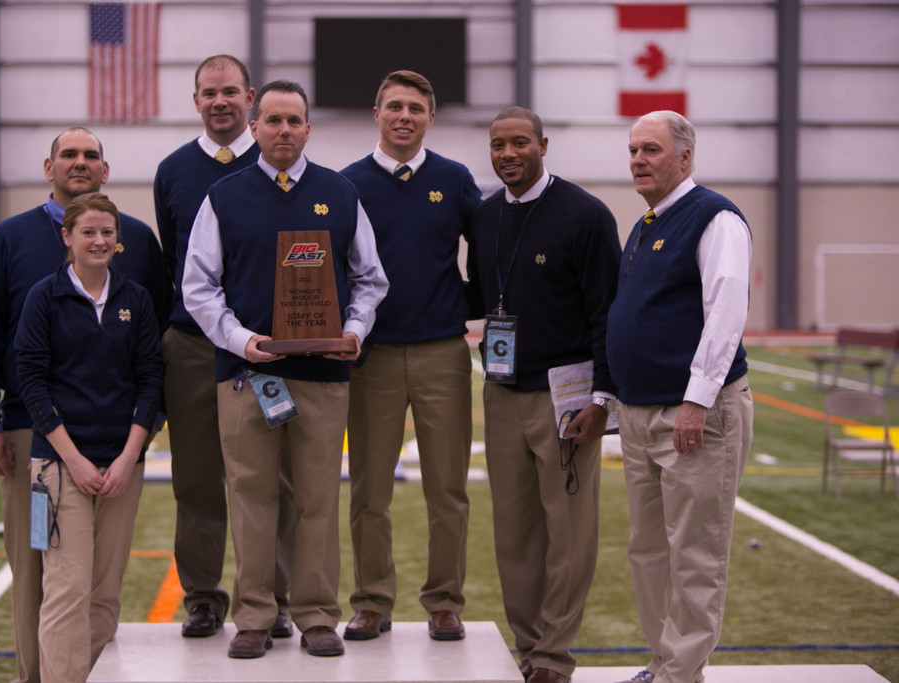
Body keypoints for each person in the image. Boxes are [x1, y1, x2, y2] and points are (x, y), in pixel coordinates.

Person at [181, 79, 388, 659]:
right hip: (248, 374)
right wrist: (242, 340)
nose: (284, 131)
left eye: (294, 121)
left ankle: (317, 616)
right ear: (254, 128)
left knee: (318, 497)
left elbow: (370, 278)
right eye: (272, 120)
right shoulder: (222, 196)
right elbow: (198, 286)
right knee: (251, 496)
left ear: (308, 129)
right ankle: (254, 615)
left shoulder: (340, 193)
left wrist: (354, 330)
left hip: (324, 376)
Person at [0, 127, 170, 683]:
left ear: (106, 169)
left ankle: (87, 673)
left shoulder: (138, 241)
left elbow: (156, 342)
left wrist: (146, 426)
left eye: (91, 155)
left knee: (100, 583)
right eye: (69, 155)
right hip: (34, 440)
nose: (80, 163)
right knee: (41, 576)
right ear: (48, 166)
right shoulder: (10, 239)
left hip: (118, 439)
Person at [466, 106, 621, 683]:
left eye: (520, 143)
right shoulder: (484, 217)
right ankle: (529, 646)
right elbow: (479, 297)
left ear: (543, 145)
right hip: (501, 391)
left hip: (567, 399)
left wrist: (602, 400)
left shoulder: (585, 215)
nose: (508, 154)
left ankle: (555, 654)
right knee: (514, 533)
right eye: (498, 145)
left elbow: (608, 313)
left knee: (569, 534)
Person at [606, 110, 753, 683]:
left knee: (695, 551)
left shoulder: (715, 218)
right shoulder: (646, 224)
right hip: (639, 412)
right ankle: (664, 661)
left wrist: (697, 400)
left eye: (651, 150)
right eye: (633, 150)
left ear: (685, 158)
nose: (637, 160)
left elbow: (726, 313)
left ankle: (681, 672)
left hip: (694, 414)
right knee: (647, 550)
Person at [153, 54, 294, 640]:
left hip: (268, 351)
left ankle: (274, 596)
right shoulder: (173, 171)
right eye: (209, 93)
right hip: (193, 346)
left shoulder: (281, 164)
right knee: (196, 479)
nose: (220, 102)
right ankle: (203, 598)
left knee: (274, 478)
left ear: (250, 98)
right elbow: (174, 261)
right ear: (196, 101)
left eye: (230, 91)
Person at [338, 70, 481, 642]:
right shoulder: (347, 184)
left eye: (415, 108)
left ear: (430, 117)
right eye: (395, 106)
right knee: (370, 489)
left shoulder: (455, 179)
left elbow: (486, 251)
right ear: (377, 113)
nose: (404, 116)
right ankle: (372, 601)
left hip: (442, 353)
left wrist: (465, 305)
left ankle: (444, 601)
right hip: (371, 357)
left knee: (447, 489)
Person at [14, 192, 163, 683]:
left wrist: (128, 457)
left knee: (104, 594)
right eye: (88, 232)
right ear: (67, 237)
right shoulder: (43, 297)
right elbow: (32, 383)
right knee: (66, 588)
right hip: (59, 467)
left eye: (107, 232)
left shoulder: (136, 299)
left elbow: (150, 380)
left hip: (122, 466)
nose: (99, 241)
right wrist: (74, 461)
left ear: (118, 239)